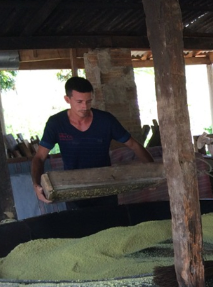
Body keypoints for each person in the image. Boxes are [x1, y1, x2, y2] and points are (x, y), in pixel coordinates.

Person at [32, 76, 154, 209]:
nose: (85, 107)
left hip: (106, 186)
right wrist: (36, 184)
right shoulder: (56, 123)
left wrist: (153, 173)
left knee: (111, 227)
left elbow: (133, 145)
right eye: (79, 102)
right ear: (67, 99)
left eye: (88, 101)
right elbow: (39, 157)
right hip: (73, 189)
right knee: (81, 228)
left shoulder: (106, 120)